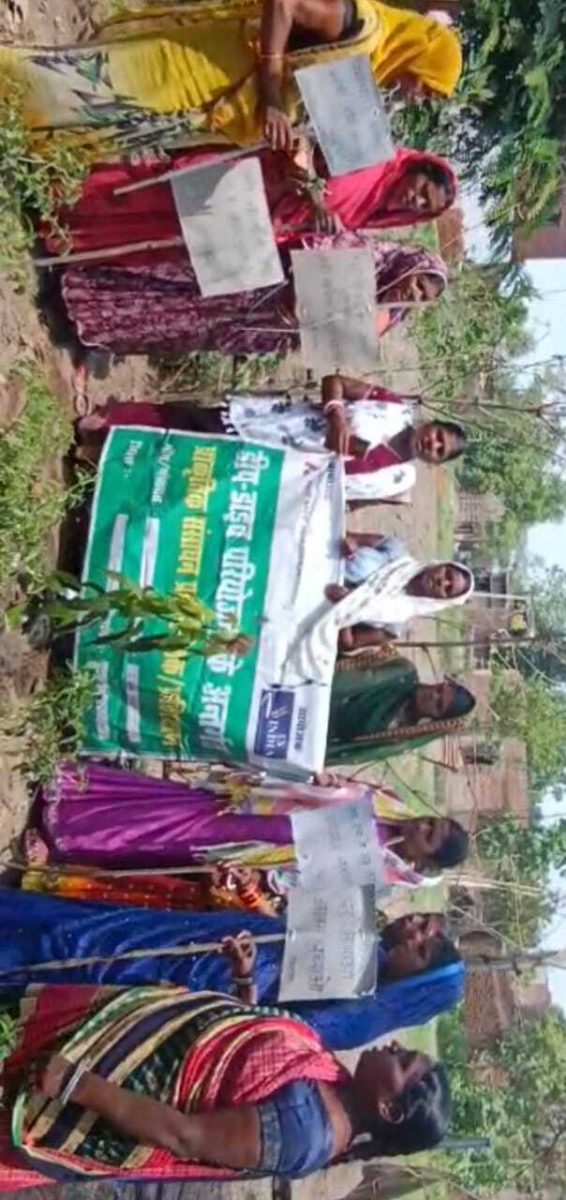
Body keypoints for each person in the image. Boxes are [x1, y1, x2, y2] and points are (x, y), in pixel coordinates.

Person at [0, 2, 462, 158]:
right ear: (420, 54)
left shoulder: (369, 68)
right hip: (201, 66)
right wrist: (271, 94)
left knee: (99, 118)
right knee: (85, 84)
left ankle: (14, 137)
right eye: (427, 85)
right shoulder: (359, 24)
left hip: (211, 103)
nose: (419, 95)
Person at [0, 894, 465, 1048]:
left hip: (201, 981)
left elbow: (267, 1029)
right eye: (421, 936)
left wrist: (243, 976)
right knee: (98, 930)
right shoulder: (370, 947)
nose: (412, 939)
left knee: (86, 959)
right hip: (205, 940)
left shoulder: (360, 1015)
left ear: (417, 986)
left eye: (422, 952)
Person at [20, 760, 469, 880]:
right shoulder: (390, 802)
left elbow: (315, 885)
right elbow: (336, 788)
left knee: (162, 841)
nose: (422, 826)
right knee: (168, 805)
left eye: (429, 836)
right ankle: (72, 795)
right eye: (431, 821)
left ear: (424, 861)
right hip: (255, 805)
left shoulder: (379, 873)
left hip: (257, 849)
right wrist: (330, 783)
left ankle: (63, 841)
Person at [75, 375, 466, 506]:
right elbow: (335, 381)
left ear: (435, 462)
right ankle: (108, 423)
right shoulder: (392, 406)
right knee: (188, 423)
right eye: (437, 436)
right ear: (431, 424)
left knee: (192, 471)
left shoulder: (398, 480)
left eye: (439, 451)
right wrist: (335, 416)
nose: (432, 445)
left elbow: (350, 503)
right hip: (275, 426)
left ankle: (102, 464)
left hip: (277, 474)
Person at [60, 234, 448, 357]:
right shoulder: (373, 255)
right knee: (172, 289)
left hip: (265, 327)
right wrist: (298, 296)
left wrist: (303, 330)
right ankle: (81, 289)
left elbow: (337, 343)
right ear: (414, 265)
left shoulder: (387, 317)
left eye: (420, 297)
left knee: (181, 327)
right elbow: (318, 247)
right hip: (258, 282)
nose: (412, 293)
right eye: (418, 283)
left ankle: (95, 331)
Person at [43, 146, 458, 258]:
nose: (414, 200)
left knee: (161, 232)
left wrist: (317, 231)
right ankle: (58, 191)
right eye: (422, 190)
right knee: (153, 192)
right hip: (249, 178)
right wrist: (315, 197)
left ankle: (66, 236)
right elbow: (305, 143)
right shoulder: (369, 151)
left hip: (252, 222)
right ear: (416, 168)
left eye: (422, 207)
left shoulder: (370, 213)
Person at [288, 547, 474, 679]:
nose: (442, 582)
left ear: (443, 600)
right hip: (306, 569)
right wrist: (349, 548)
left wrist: (347, 606)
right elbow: (349, 538)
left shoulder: (396, 624)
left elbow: (349, 643)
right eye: (447, 574)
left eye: (448, 589)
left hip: (312, 616)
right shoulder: (396, 553)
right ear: (442, 565)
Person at [327, 652, 476, 763]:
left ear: (436, 719)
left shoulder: (395, 737)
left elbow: (347, 751)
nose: (433, 696)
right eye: (438, 690)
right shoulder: (402, 673)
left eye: (438, 705)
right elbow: (348, 675)